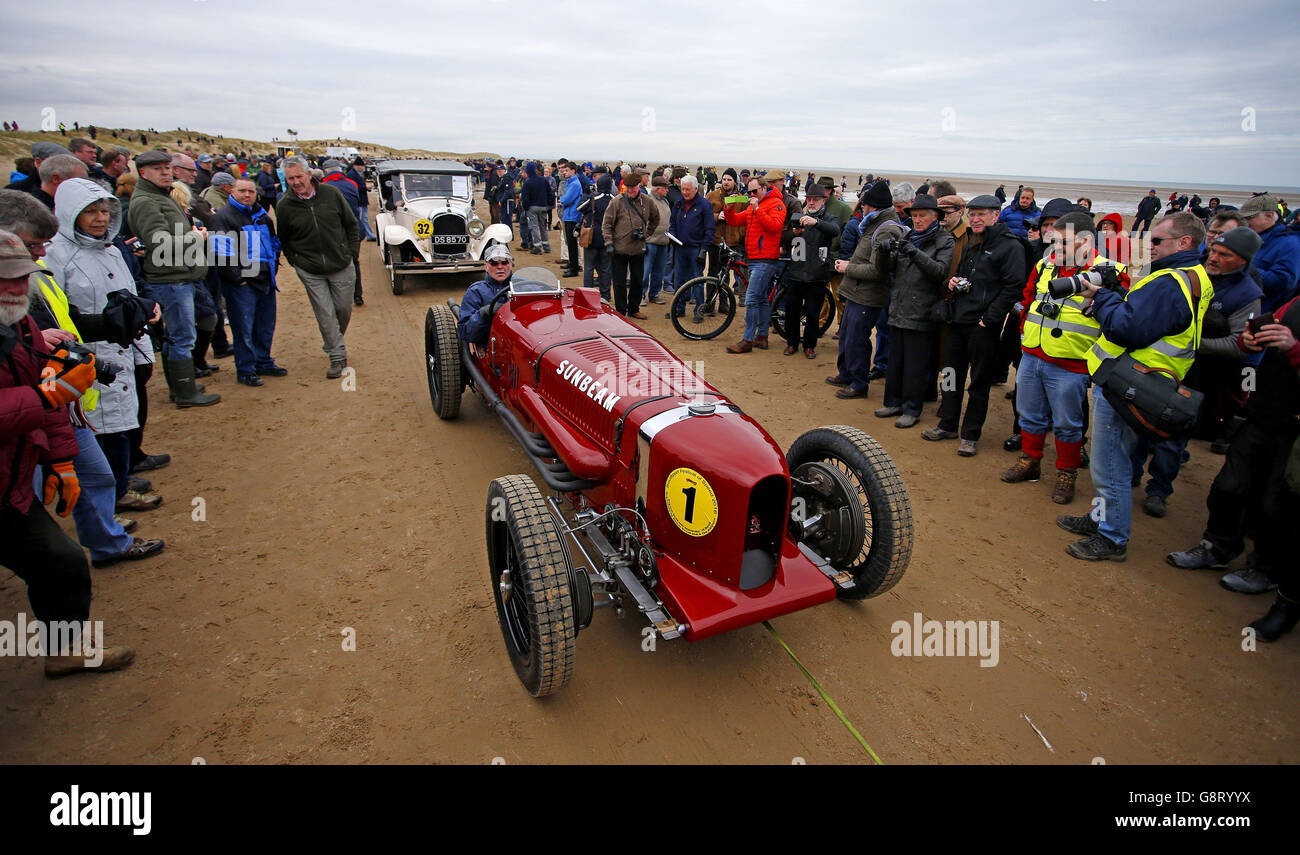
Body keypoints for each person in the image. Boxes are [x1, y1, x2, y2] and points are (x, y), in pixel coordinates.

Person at [0, 230, 136, 676]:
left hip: (10, 484)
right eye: (7, 279)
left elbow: (52, 384)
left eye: (23, 278)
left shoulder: (20, 322)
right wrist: (43, 400)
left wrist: (61, 459)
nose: (18, 288)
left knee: (60, 562)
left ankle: (63, 651)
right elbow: (44, 396)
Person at [1057, 212, 1213, 561]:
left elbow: (1126, 328)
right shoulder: (1195, 276)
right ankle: (1100, 518)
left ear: (1184, 242)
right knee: (1113, 458)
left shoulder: (1168, 282)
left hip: (1128, 382)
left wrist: (1102, 300)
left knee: (1109, 462)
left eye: (1158, 241)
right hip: (1148, 381)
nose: (1150, 246)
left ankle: (1111, 538)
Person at [1131, 227, 1261, 521]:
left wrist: (1190, 339)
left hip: (1199, 375)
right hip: (1159, 367)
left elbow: (1240, 345)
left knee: (1172, 436)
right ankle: (1132, 473)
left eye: (1224, 255)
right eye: (1213, 250)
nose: (1213, 258)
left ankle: (1159, 491)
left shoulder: (1248, 294)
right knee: (1139, 423)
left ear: (1243, 260)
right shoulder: (1188, 272)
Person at [1001, 212, 1129, 503]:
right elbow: (1028, 298)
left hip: (1072, 362)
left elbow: (1119, 321)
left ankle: (1066, 472)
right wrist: (1024, 335)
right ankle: (1030, 461)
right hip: (1033, 353)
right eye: (1053, 241)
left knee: (1068, 423)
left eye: (1062, 242)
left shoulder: (1111, 272)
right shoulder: (1045, 265)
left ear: (1085, 240)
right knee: (1029, 415)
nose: (1055, 248)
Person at [921, 195, 1025, 456]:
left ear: (996, 215)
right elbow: (969, 277)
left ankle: (970, 434)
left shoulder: (1010, 246)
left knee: (978, 383)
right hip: (958, 318)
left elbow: (1013, 288)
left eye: (981, 214)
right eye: (973, 214)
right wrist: (954, 282)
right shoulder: (971, 242)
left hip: (983, 327)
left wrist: (989, 319)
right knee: (950, 375)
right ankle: (947, 424)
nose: (975, 219)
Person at [128, 150, 220, 407]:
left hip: (178, 276)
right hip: (171, 279)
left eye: (167, 167)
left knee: (179, 335)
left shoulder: (159, 196)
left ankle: (182, 384)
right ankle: (185, 392)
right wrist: (195, 237)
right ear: (143, 173)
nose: (165, 172)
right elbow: (158, 242)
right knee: (182, 337)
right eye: (157, 168)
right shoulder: (147, 201)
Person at [874, 194, 955, 427]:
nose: (917, 220)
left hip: (922, 309)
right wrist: (884, 252)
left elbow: (940, 272)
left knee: (915, 365)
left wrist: (913, 252)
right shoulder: (908, 235)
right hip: (899, 306)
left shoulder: (943, 240)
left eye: (922, 216)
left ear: (935, 217)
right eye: (915, 216)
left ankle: (912, 408)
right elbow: (888, 271)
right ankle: (893, 401)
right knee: (895, 359)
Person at [276, 155, 359, 379]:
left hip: (341, 263)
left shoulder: (331, 194)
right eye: (290, 178)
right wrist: (296, 262)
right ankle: (337, 357)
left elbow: (351, 224)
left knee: (342, 309)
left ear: (309, 175)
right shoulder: (284, 206)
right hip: (310, 269)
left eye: (298, 176)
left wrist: (351, 253)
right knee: (325, 312)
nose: (295, 182)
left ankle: (333, 341)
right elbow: (284, 238)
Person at [825, 179, 902, 388]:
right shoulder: (873, 224)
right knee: (847, 337)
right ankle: (846, 374)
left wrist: (847, 268)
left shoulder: (886, 230)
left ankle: (858, 383)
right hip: (856, 291)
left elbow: (878, 270)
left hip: (868, 295)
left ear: (873, 206)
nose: (862, 208)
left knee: (857, 340)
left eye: (864, 204)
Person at [209, 176, 284, 387]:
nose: (247, 195)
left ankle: (263, 361)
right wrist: (237, 278)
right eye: (242, 191)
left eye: (251, 192)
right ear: (232, 191)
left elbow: (273, 242)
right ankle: (246, 369)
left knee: (265, 324)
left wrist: (274, 266)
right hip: (242, 283)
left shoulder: (261, 215)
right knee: (243, 327)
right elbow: (220, 252)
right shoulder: (223, 217)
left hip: (265, 278)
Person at [780, 183, 839, 358]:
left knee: (813, 313)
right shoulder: (798, 216)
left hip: (817, 275)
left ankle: (809, 346)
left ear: (823, 201)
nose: (811, 202)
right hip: (796, 273)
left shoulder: (829, 218)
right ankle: (791, 343)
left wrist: (817, 222)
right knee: (792, 312)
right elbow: (785, 237)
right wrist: (794, 233)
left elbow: (835, 230)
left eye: (815, 199)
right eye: (809, 199)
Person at [602, 172, 659, 319]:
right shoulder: (617, 202)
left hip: (638, 249)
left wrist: (646, 235)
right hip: (619, 249)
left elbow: (655, 219)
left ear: (639, 186)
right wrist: (609, 243)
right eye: (627, 188)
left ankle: (634, 308)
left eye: (632, 188)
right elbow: (606, 224)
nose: (630, 191)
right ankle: (621, 311)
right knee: (619, 282)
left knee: (637, 281)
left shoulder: (647, 201)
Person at [1238, 194, 1300, 312]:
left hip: (1266, 312)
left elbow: (1283, 282)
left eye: (1249, 217)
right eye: (1243, 218)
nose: (1245, 222)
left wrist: (1242, 266)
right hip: (1243, 306)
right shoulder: (1251, 238)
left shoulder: (1289, 243)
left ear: (1269, 215)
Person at [321, 160, 364, 307]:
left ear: (326, 171)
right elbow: (357, 203)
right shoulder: (352, 184)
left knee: (332, 263)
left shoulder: (322, 187)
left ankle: (337, 296)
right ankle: (357, 294)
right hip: (354, 229)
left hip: (333, 231)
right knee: (354, 261)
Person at [457, 244, 516, 352]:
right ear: (486, 267)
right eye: (494, 263)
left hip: (521, 344)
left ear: (511, 264)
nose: (500, 267)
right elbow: (466, 333)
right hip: (492, 349)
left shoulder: (524, 285)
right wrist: (483, 313)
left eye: (504, 262)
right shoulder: (476, 291)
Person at [578, 174, 614, 299]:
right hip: (608, 238)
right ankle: (606, 295)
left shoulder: (593, 198)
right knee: (605, 269)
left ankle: (587, 295)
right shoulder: (614, 199)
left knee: (589, 267)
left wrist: (586, 195)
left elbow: (580, 208)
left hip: (592, 237)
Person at [643, 177, 673, 305]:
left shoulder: (665, 201)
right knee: (645, 271)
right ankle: (640, 295)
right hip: (650, 241)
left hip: (663, 242)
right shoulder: (647, 201)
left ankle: (654, 293)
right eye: (665, 188)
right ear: (657, 188)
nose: (667, 190)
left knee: (659, 271)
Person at [520, 162, 553, 255]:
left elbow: (525, 198)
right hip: (543, 206)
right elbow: (550, 193)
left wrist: (526, 208)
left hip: (532, 207)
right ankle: (546, 247)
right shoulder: (543, 180)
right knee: (543, 227)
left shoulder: (527, 182)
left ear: (527, 171)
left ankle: (537, 247)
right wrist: (548, 205)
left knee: (534, 227)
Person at [558, 161, 584, 278]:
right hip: (569, 214)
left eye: (567, 170)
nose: (565, 172)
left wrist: (561, 201)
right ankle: (572, 264)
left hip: (572, 215)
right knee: (570, 242)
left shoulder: (574, 184)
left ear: (573, 171)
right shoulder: (571, 182)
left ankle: (574, 268)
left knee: (572, 242)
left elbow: (567, 199)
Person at [346, 157, 373, 241]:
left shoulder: (354, 174)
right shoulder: (352, 174)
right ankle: (364, 235)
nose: (363, 168)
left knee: (364, 219)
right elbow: (353, 188)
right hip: (359, 201)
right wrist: (365, 187)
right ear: (358, 166)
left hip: (361, 201)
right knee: (361, 219)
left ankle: (369, 234)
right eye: (362, 166)